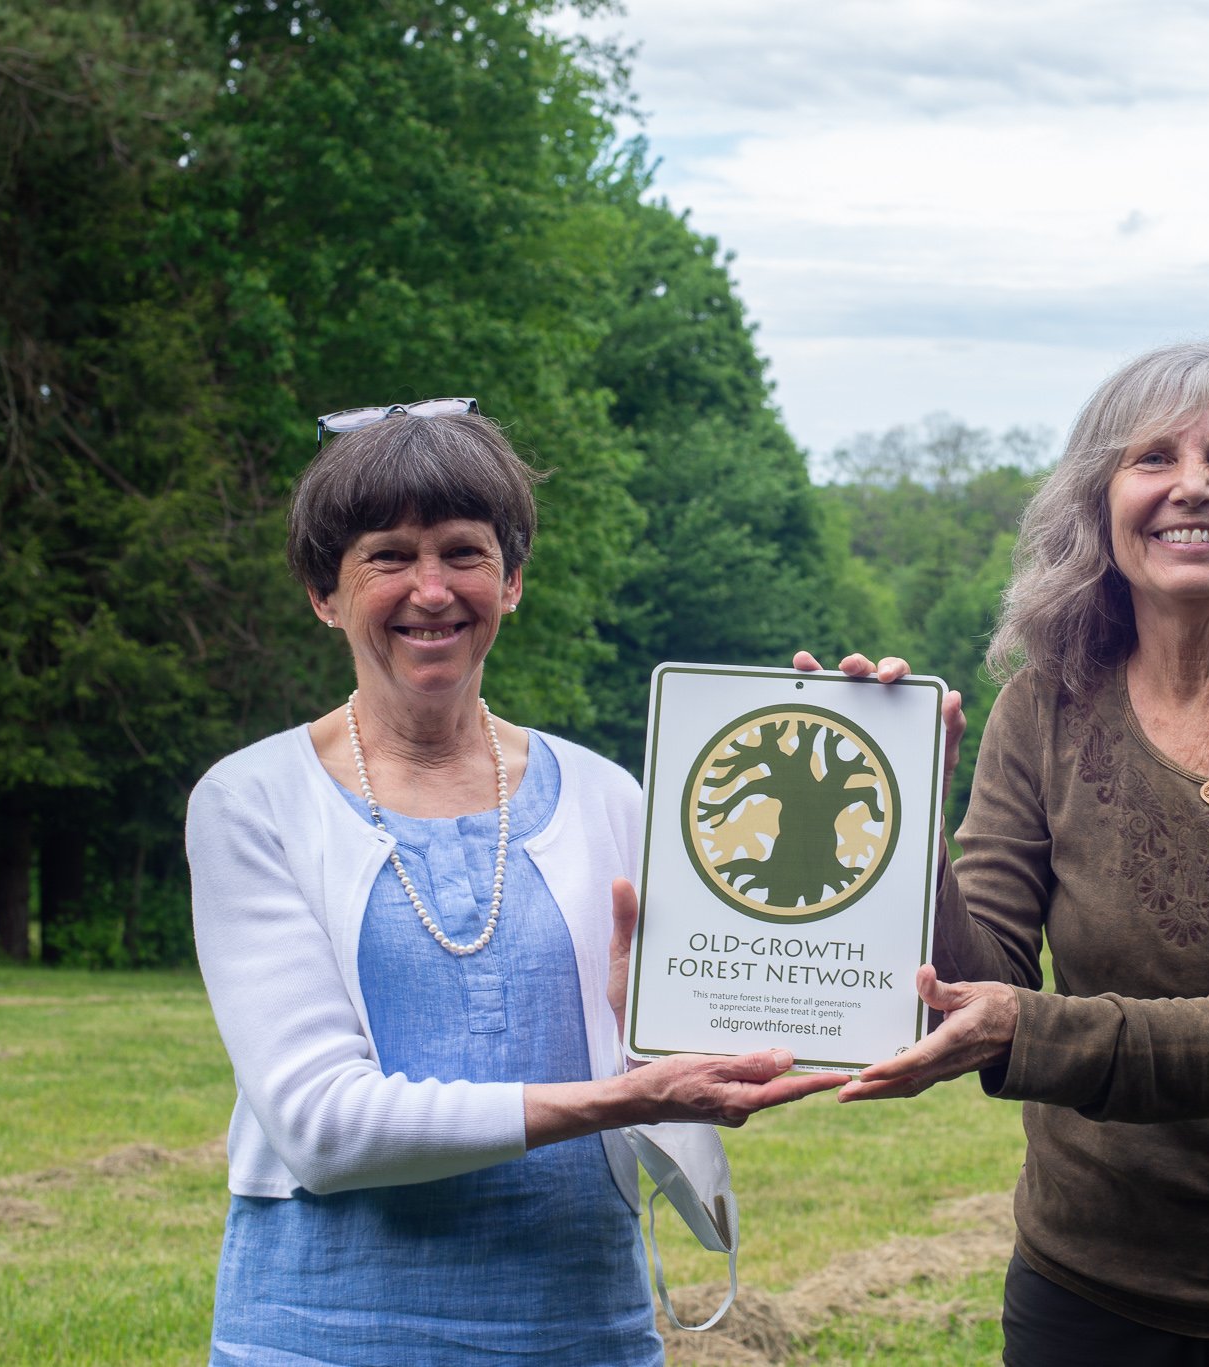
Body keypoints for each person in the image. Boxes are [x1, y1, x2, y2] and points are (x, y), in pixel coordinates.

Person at [818, 340, 1209, 1365]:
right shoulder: (1042, 707)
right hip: (1084, 1283)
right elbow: (984, 980)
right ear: (1100, 507)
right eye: (1150, 457)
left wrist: (1027, 1029)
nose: (1190, 484)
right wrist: (898, 805)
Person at [187, 399, 840, 1366]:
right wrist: (615, 1095)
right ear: (324, 591)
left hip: (582, 1328)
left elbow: (677, 1063)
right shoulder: (252, 800)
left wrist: (883, 752)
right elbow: (322, 1125)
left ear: (514, 579)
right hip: (325, 1334)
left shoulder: (610, 796)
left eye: (464, 551)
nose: (432, 588)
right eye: (388, 555)